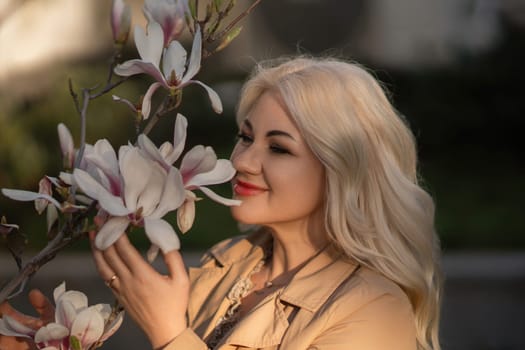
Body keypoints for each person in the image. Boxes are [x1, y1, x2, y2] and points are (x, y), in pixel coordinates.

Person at [0, 56, 442, 350]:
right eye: (246, 137)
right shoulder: (230, 264)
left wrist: (170, 334)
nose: (243, 161)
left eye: (279, 148)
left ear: (341, 171)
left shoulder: (373, 310)